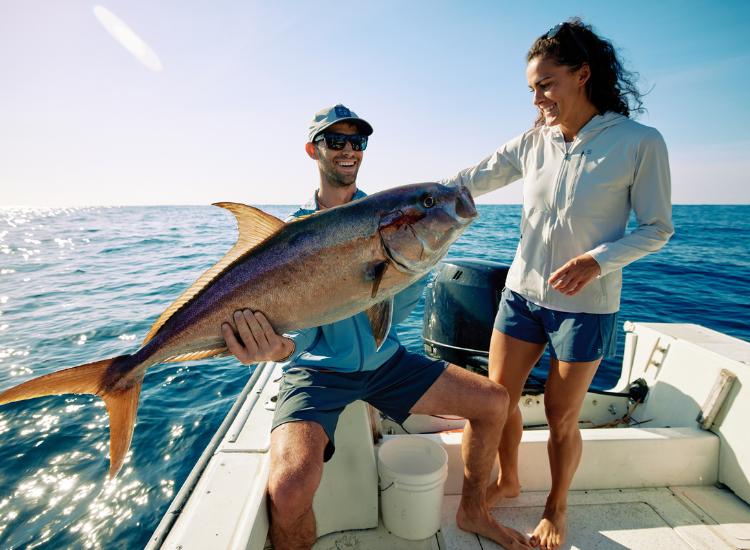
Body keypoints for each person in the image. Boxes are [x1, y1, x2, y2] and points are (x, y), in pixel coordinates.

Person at [221, 104, 533, 550]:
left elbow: (393, 307)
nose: (349, 149)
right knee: (289, 490)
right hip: (318, 373)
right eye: (336, 141)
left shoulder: (387, 215)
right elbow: (301, 332)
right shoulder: (294, 233)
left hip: (388, 361)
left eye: (358, 141)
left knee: (493, 403)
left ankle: (473, 510)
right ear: (314, 150)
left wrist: (418, 253)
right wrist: (278, 349)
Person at [439, 19, 674, 550]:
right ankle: (509, 480)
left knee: (560, 415)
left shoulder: (639, 142)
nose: (538, 97)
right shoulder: (533, 142)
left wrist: (598, 261)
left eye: (546, 84)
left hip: (585, 305)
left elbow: (658, 228)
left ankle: (556, 506)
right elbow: (466, 181)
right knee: (497, 399)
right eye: (531, 88)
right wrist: (394, 206)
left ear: (583, 74)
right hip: (521, 296)